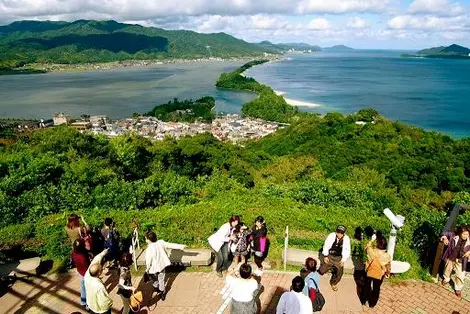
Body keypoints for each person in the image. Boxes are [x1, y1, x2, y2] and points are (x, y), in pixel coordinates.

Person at [145, 231, 186, 300]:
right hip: (161, 266)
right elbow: (170, 245)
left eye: (146, 239)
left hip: (153, 268)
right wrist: (181, 246)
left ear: (149, 240)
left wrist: (147, 269)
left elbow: (148, 261)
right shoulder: (160, 242)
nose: (145, 240)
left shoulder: (149, 249)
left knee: (153, 279)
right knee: (161, 279)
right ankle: (162, 292)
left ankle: (157, 287)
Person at [360, 235, 391, 308]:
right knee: (376, 289)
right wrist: (388, 273)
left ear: (377, 244)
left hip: (369, 271)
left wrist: (371, 240)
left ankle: (363, 301)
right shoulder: (387, 256)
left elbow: (366, 248)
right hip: (380, 274)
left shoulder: (371, 251)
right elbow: (388, 266)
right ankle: (372, 304)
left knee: (366, 286)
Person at [440, 224, 470, 297]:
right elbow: (444, 233)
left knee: (461, 274)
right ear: (460, 233)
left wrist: (469, 252)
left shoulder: (469, 238)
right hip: (451, 256)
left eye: (467, 234)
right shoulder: (453, 235)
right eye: (464, 234)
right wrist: (444, 238)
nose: (466, 236)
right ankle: (446, 279)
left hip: (462, 259)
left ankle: (458, 288)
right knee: (447, 269)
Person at [318, 225, 351, 291]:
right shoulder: (331, 236)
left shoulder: (346, 239)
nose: (339, 234)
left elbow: (347, 250)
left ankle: (333, 283)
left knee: (339, 272)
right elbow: (326, 245)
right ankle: (329, 269)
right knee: (321, 271)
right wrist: (326, 256)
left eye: (341, 233)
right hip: (330, 256)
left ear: (343, 233)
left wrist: (343, 260)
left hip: (339, 257)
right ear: (336, 232)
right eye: (338, 232)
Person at [84, 248, 113, 314]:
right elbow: (104, 301)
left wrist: (103, 253)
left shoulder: (87, 275)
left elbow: (95, 260)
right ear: (99, 273)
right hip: (100, 310)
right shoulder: (99, 286)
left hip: (91, 306)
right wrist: (110, 303)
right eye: (101, 270)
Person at [71, 239, 91, 310]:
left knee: (82, 287)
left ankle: (83, 302)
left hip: (80, 272)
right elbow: (86, 267)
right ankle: (88, 306)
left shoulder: (74, 252)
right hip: (85, 274)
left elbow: (73, 261)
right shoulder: (82, 256)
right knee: (88, 290)